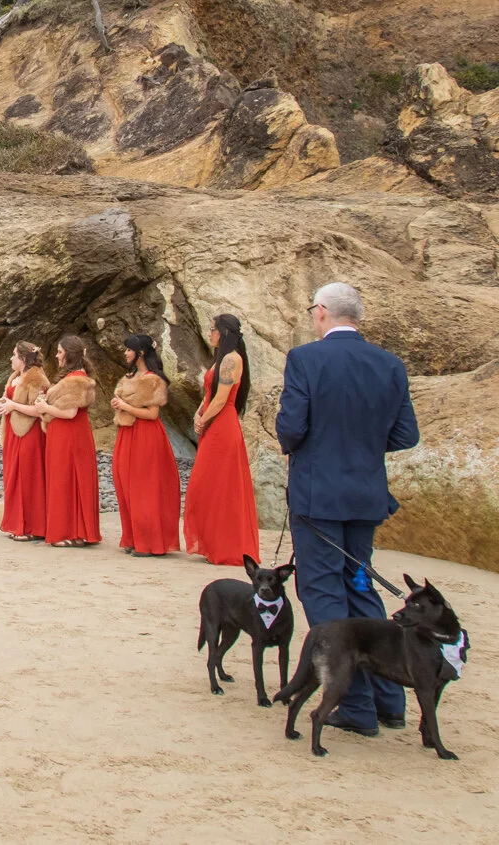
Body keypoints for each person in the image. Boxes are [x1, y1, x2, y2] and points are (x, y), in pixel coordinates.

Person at [277, 281, 420, 737]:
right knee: (361, 587)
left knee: (322, 594)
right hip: (365, 497)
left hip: (318, 498)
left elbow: (292, 427)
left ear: (321, 313)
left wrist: (301, 445)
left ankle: (354, 704)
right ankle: (390, 698)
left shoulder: (306, 358)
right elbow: (405, 436)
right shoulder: (389, 364)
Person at [184, 312, 260, 567]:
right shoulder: (221, 360)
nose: (210, 334)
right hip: (213, 421)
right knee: (208, 484)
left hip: (222, 424)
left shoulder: (231, 359)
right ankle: (212, 542)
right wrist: (198, 414)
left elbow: (221, 398)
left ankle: (226, 546)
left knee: (219, 484)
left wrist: (204, 418)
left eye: (213, 329)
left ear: (224, 332)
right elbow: (209, 394)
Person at [108, 333, 181, 557]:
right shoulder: (130, 377)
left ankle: (148, 541)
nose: (125, 353)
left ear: (140, 353)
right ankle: (132, 537)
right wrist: (118, 406)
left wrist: (125, 406)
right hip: (127, 434)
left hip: (145, 435)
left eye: (129, 349)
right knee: (125, 483)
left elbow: (152, 414)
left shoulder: (152, 379)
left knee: (143, 486)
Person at [34, 336, 103, 547]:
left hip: (69, 435)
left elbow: (70, 413)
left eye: (60, 352)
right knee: (68, 477)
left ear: (69, 355)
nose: (56, 355)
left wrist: (45, 408)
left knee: (67, 478)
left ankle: (71, 532)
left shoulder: (75, 380)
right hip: (67, 434)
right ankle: (75, 530)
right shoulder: (74, 377)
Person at [0, 342, 51, 541]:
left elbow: (39, 409)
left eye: (14, 355)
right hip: (13, 431)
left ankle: (31, 527)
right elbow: (10, 401)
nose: (11, 358)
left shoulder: (36, 379)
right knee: (13, 475)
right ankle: (17, 523)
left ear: (24, 359)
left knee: (28, 476)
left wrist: (13, 406)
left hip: (30, 433)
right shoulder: (16, 377)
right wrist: (5, 405)